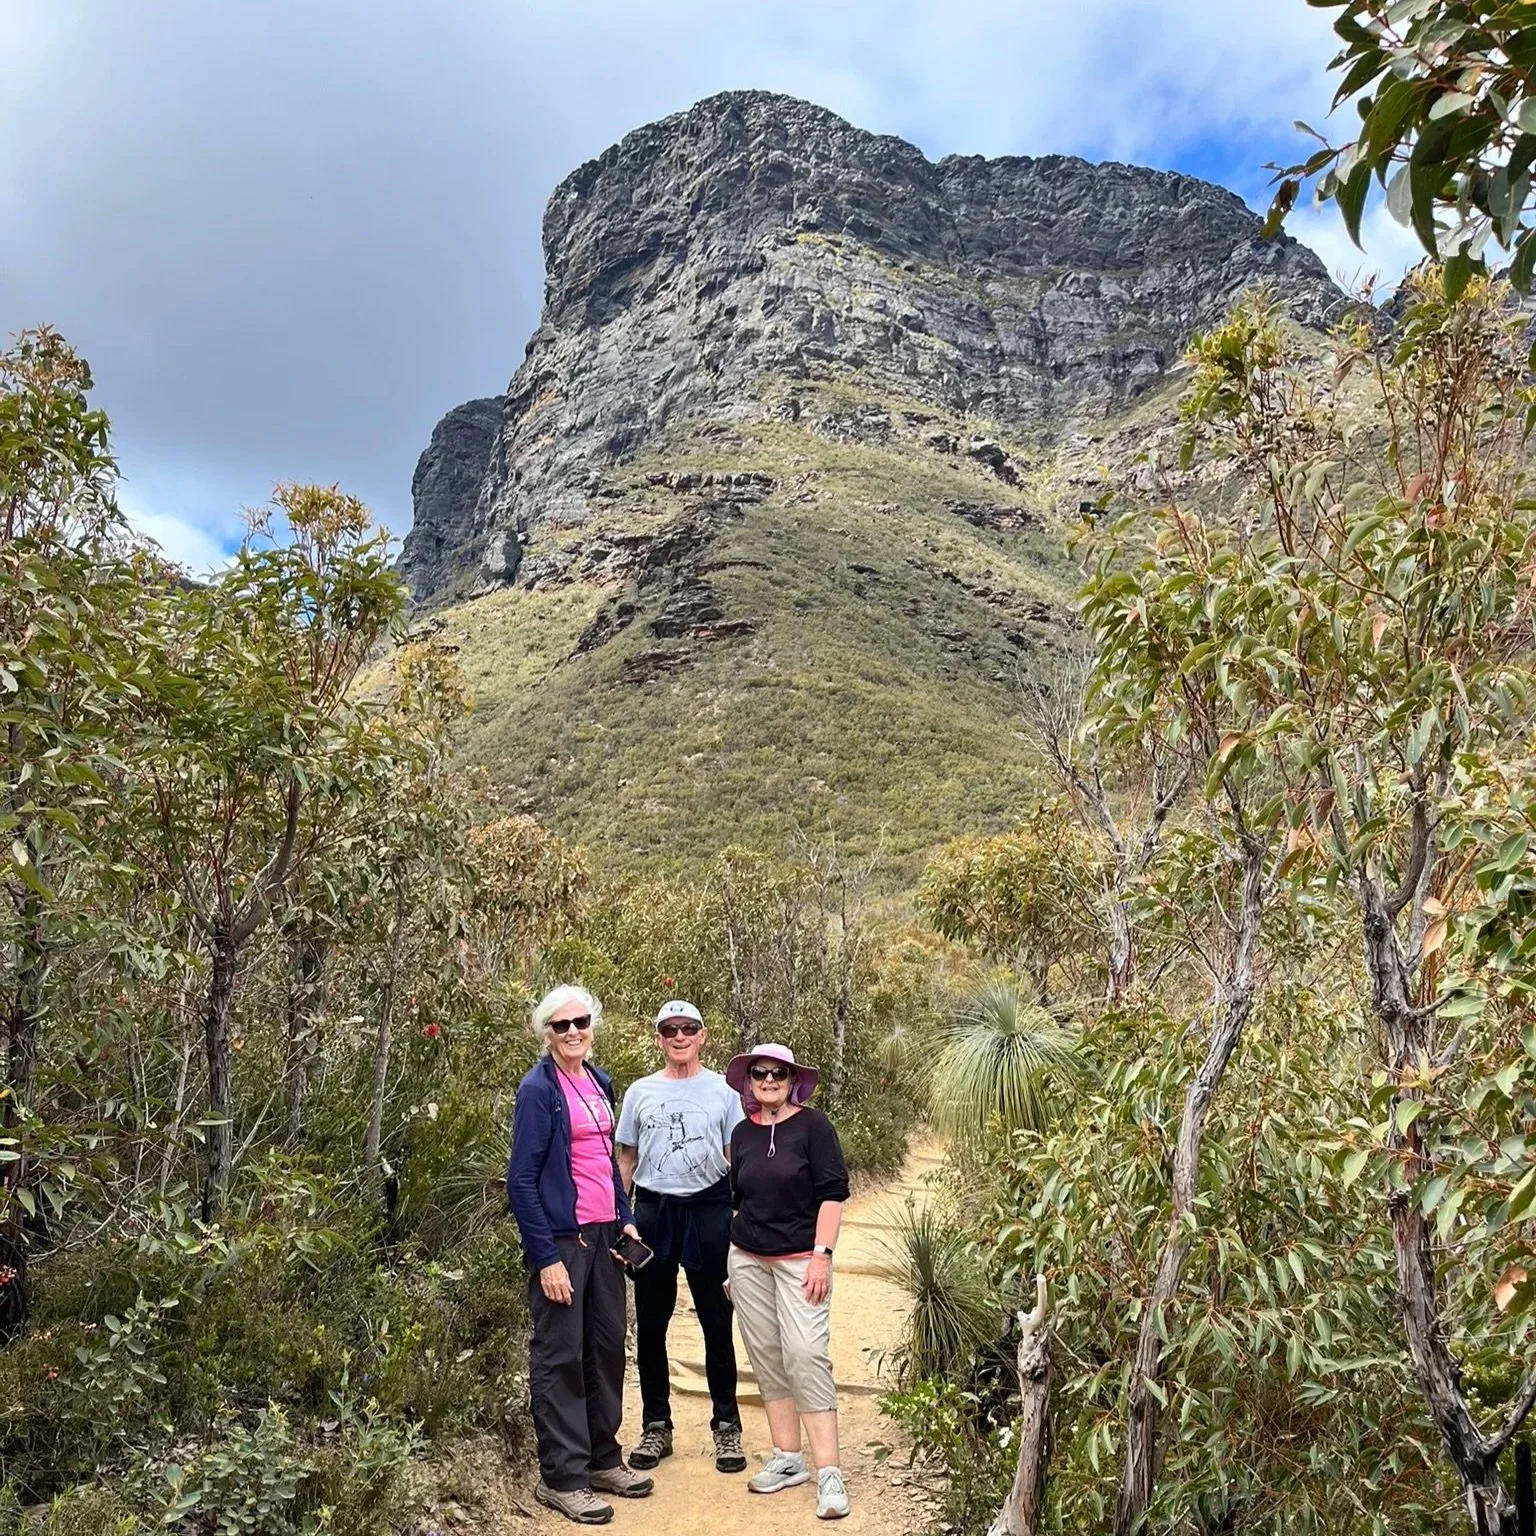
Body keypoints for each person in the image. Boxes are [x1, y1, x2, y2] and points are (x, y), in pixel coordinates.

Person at [506, 985, 655, 1525]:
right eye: (561, 1025)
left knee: (606, 1346)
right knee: (561, 1354)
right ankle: (563, 1477)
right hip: (563, 1243)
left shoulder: (598, 1081)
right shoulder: (537, 1090)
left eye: (581, 1022)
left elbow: (607, 1163)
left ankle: (600, 1458)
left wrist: (626, 1217)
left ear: (593, 1025)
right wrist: (545, 1258)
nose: (573, 1032)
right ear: (547, 1033)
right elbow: (521, 1182)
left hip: (603, 1237)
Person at [615, 1000, 747, 1475]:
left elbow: (738, 1156)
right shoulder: (639, 1092)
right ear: (659, 1039)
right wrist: (621, 1215)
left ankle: (727, 1429)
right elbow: (626, 1159)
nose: (679, 1036)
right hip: (653, 1212)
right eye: (669, 1029)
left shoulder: (724, 1092)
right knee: (651, 1324)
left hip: (710, 1207)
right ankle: (656, 1426)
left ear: (702, 1035)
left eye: (688, 1028)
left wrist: (740, 1214)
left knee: (717, 1320)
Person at [725, 1043, 852, 1521]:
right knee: (768, 1356)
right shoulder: (741, 1133)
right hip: (747, 1260)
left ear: (792, 1078)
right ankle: (787, 1459)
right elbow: (737, 1203)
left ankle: (830, 1472)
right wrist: (730, 1265)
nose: (769, 1080)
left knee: (805, 1354)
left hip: (802, 1260)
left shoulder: (814, 1127)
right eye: (760, 1073)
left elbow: (833, 1195)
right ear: (749, 1081)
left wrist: (822, 1256)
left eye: (778, 1073)